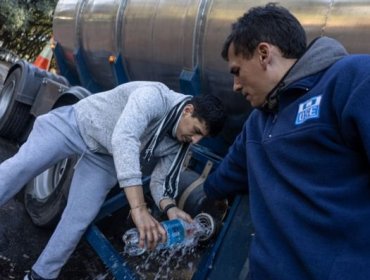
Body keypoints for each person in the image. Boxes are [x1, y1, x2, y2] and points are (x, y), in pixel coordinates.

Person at [204, 3, 370, 280]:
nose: (235, 85)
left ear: (264, 54)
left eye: (236, 71)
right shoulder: (256, 124)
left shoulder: (351, 80)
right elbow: (224, 178)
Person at [0, 81, 226, 280]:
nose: (195, 140)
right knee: (18, 169)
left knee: (79, 218)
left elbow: (160, 181)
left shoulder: (179, 142)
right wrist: (138, 207)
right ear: (188, 110)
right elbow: (124, 138)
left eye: (201, 137)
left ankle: (40, 275)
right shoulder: (154, 96)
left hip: (106, 158)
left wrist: (170, 209)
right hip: (78, 124)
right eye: (196, 131)